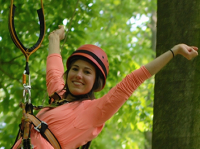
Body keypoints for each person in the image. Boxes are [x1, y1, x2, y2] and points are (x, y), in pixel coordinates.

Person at [13, 25, 198, 149]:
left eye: (87, 72)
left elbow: (132, 81)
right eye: (75, 69)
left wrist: (174, 51)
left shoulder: (94, 111)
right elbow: (54, 63)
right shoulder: (57, 95)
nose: (78, 75)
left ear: (96, 82)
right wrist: (56, 36)